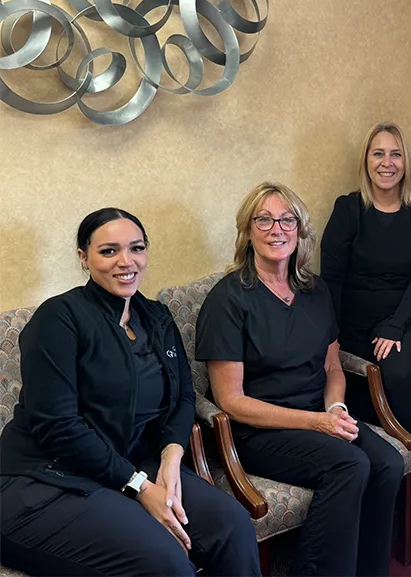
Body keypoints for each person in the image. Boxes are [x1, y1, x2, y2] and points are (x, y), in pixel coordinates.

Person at [0, 208, 259, 576]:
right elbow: (58, 427)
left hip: (130, 465)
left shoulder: (155, 315)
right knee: (165, 562)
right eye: (108, 251)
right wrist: (138, 485)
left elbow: (183, 397)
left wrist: (171, 459)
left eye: (136, 248)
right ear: (83, 258)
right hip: (45, 480)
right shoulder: (58, 319)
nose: (126, 261)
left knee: (232, 525)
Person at [195, 182, 404, 577]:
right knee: (350, 465)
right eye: (264, 220)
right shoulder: (229, 299)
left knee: (388, 463)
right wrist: (317, 422)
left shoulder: (314, 289)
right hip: (258, 429)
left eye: (287, 219)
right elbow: (231, 400)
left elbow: (333, 366)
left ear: (300, 229)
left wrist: (336, 408)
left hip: (317, 414)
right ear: (248, 230)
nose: (277, 229)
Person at [321, 122, 411, 437]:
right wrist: (331, 337)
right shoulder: (347, 209)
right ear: (366, 161)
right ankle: (365, 456)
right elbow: (331, 279)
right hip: (353, 319)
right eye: (378, 154)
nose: (387, 163)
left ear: (406, 163)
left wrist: (396, 324)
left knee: (398, 373)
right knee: (348, 379)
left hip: (405, 315)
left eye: (396, 154)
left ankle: (409, 455)